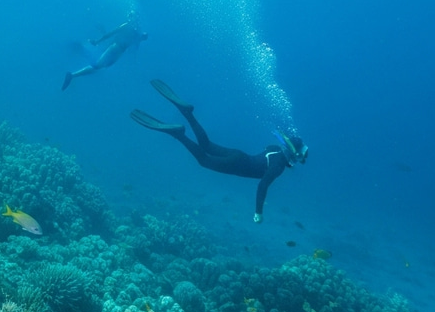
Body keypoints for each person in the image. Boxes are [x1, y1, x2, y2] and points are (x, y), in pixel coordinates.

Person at [131, 79, 308, 222]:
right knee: (203, 160)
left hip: (240, 156)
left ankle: (187, 112)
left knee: (206, 145)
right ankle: (178, 134)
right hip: (238, 163)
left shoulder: (275, 149)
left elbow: (266, 155)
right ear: (295, 154)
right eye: (300, 158)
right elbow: (262, 185)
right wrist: (258, 212)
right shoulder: (279, 167)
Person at [62, 13, 148, 91]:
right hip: (115, 48)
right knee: (98, 66)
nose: (135, 22)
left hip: (119, 52)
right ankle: (72, 75)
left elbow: (134, 45)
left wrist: (141, 39)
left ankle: (73, 75)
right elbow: (111, 34)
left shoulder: (135, 32)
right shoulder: (126, 26)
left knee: (101, 66)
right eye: (134, 19)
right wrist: (97, 41)